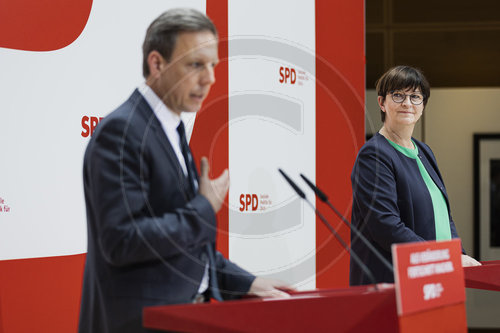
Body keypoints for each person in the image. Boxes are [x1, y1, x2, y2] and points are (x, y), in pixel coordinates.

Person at [78, 8, 291, 333]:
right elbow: (121, 241)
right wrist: (203, 208)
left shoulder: (169, 128)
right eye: (195, 64)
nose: (210, 78)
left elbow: (185, 246)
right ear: (157, 63)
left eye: (212, 66)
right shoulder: (122, 131)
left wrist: (247, 283)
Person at [349, 65, 480, 286]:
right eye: (398, 95)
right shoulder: (374, 154)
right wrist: (443, 257)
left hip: (434, 275)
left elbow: (443, 216)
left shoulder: (425, 151)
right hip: (393, 282)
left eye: (415, 96)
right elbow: (385, 225)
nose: (407, 103)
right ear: (382, 102)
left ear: (423, 105)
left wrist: (458, 252)